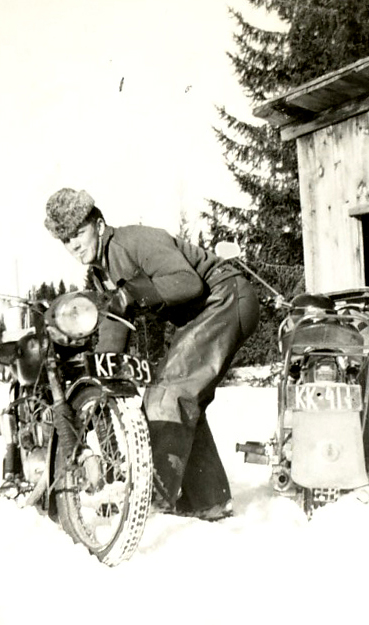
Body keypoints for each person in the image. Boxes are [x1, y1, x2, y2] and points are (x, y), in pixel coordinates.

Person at [44, 188, 259, 520]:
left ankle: (150, 501)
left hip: (225, 297)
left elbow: (188, 282)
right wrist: (100, 373)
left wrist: (132, 293)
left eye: (79, 232)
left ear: (98, 225)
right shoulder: (102, 271)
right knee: (182, 400)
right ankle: (208, 500)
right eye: (65, 239)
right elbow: (116, 322)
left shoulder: (133, 241)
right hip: (207, 311)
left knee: (167, 395)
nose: (73, 244)